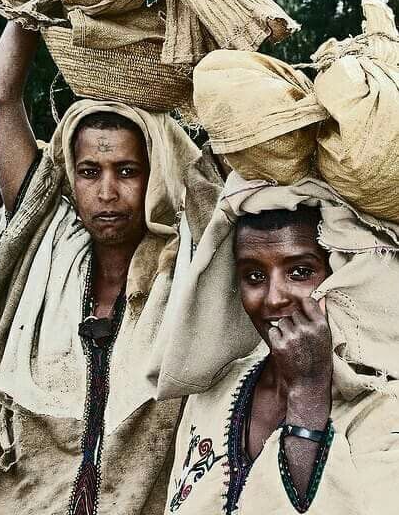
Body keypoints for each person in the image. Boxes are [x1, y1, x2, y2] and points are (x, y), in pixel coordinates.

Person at [0, 0, 202, 513]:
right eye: (89, 171)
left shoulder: (185, 266)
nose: (106, 192)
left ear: (157, 173)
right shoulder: (47, 245)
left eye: (126, 170)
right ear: (69, 176)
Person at [159, 173, 399, 515]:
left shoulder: (383, 405)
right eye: (254, 276)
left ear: (343, 278)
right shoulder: (215, 391)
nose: (273, 299)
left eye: (300, 271)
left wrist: (308, 389)